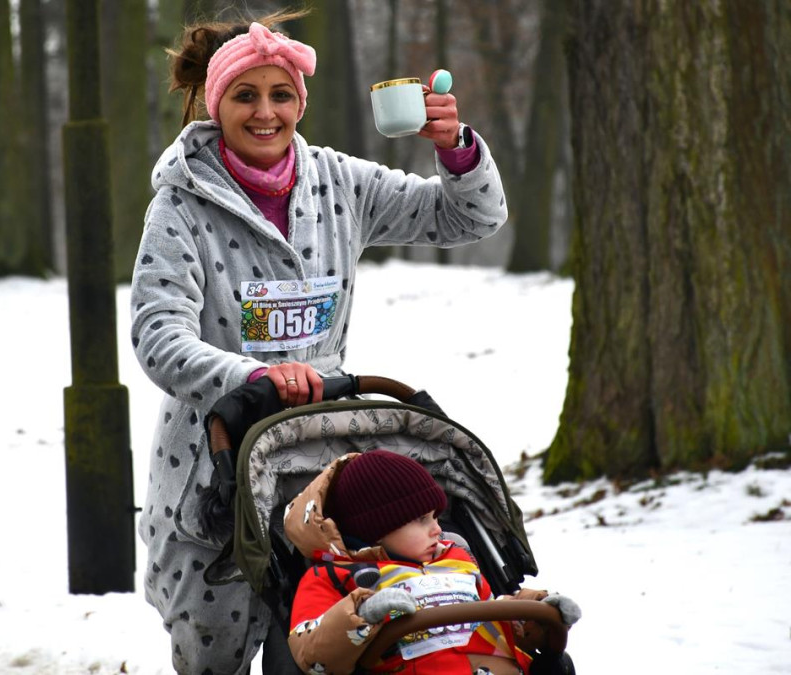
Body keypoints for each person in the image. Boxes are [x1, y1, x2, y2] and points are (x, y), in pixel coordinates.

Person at [130, 8, 510, 673]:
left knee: (320, 648)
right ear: (216, 105)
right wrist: (248, 376)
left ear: (299, 102)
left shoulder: (341, 183)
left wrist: (455, 148)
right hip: (209, 464)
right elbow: (157, 333)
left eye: (281, 95)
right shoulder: (180, 205)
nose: (265, 113)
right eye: (245, 96)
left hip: (318, 466)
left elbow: (470, 214)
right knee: (208, 648)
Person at [284, 450, 581, 675]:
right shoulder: (335, 576)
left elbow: (495, 611)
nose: (438, 529)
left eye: (436, 516)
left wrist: (538, 610)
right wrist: (363, 614)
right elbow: (311, 649)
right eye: (421, 519)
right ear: (375, 529)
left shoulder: (457, 558)